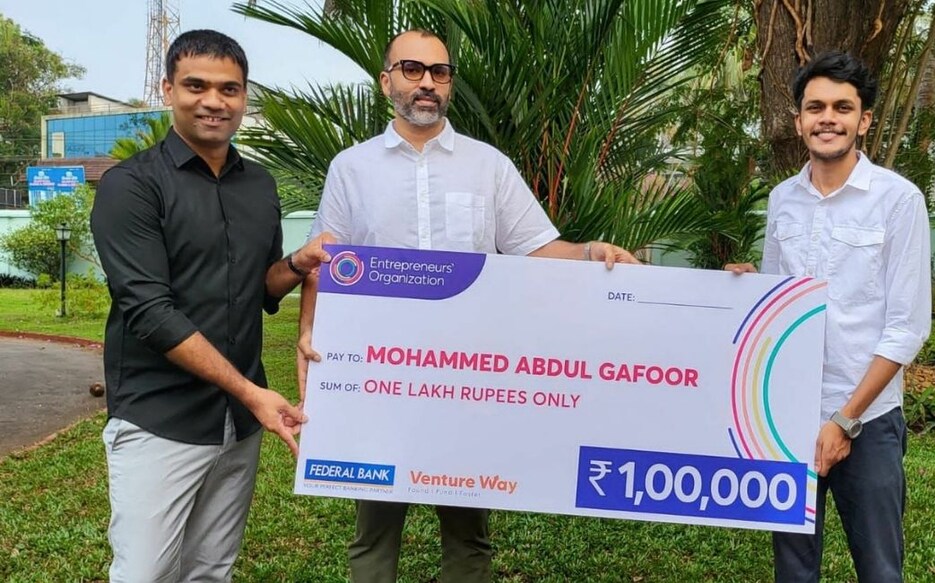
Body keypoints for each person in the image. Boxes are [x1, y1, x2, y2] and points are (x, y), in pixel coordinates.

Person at [296, 29, 639, 583]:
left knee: (468, 531)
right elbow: (325, 259)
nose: (427, 83)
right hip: (379, 379)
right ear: (386, 82)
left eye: (440, 72)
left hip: (466, 377)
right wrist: (309, 334)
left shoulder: (488, 166)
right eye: (412, 70)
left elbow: (536, 248)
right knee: (375, 531)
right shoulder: (351, 168)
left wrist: (590, 252)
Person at [90, 29, 331, 582]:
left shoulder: (259, 185)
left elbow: (261, 288)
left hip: (238, 424)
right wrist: (251, 393)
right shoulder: (132, 186)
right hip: (160, 417)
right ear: (168, 89)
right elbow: (150, 312)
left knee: (210, 571)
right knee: (145, 573)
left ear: (244, 96)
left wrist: (298, 263)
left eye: (229, 89)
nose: (213, 101)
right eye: (196, 86)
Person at [727, 51, 931, 582]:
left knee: (880, 570)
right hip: (787, 415)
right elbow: (779, 303)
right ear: (798, 120)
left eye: (843, 107)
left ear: (864, 121)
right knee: (793, 570)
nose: (828, 118)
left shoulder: (898, 200)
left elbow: (907, 327)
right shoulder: (782, 200)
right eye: (815, 107)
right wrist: (745, 289)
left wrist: (845, 420)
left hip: (869, 419)